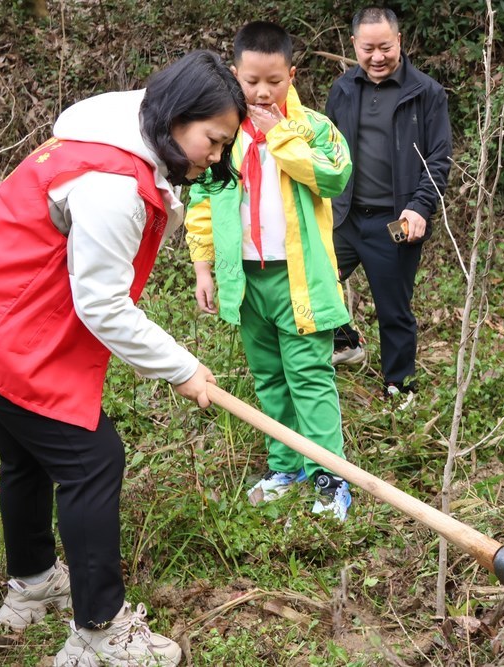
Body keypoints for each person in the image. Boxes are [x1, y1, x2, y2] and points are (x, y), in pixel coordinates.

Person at [0, 50, 245, 665]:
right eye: (213, 140)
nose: (215, 157)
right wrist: (182, 368)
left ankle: (33, 584)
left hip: (13, 319)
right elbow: (102, 303)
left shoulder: (110, 138)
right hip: (15, 334)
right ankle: (99, 633)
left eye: (224, 145)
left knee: (27, 456)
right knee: (92, 461)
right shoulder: (112, 183)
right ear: (175, 117)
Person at [185, 21, 355, 519]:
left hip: (298, 279)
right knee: (269, 378)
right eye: (251, 81)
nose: (262, 92)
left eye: (274, 81)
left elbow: (335, 176)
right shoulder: (224, 134)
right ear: (234, 75)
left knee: (309, 377)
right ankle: (286, 466)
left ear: (291, 76)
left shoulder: (315, 128)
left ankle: (330, 477)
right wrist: (203, 267)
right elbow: (202, 199)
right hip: (244, 279)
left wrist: (280, 136)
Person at [324, 6, 453, 410]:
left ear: (399, 41)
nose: (377, 57)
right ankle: (345, 341)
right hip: (344, 216)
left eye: (385, 47)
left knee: (393, 308)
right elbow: (326, 148)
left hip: (395, 221)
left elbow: (439, 159)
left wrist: (419, 206)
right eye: (368, 49)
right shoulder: (343, 90)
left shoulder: (426, 92)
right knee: (316, 281)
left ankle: (400, 387)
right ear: (354, 46)